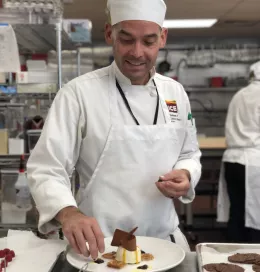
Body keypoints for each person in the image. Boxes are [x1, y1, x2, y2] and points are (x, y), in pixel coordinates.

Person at [27, 0, 202, 259]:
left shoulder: (174, 93)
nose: (137, 52)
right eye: (127, 39)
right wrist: (68, 212)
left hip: (165, 243)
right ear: (109, 33)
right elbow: (46, 168)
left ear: (163, 38)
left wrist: (187, 173)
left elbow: (189, 152)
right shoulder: (78, 93)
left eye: (149, 41)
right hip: (99, 244)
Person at [217, 60, 260, 243]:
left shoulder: (239, 94)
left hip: (232, 160)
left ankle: (231, 257)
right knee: (255, 215)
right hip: (253, 162)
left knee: (237, 212)